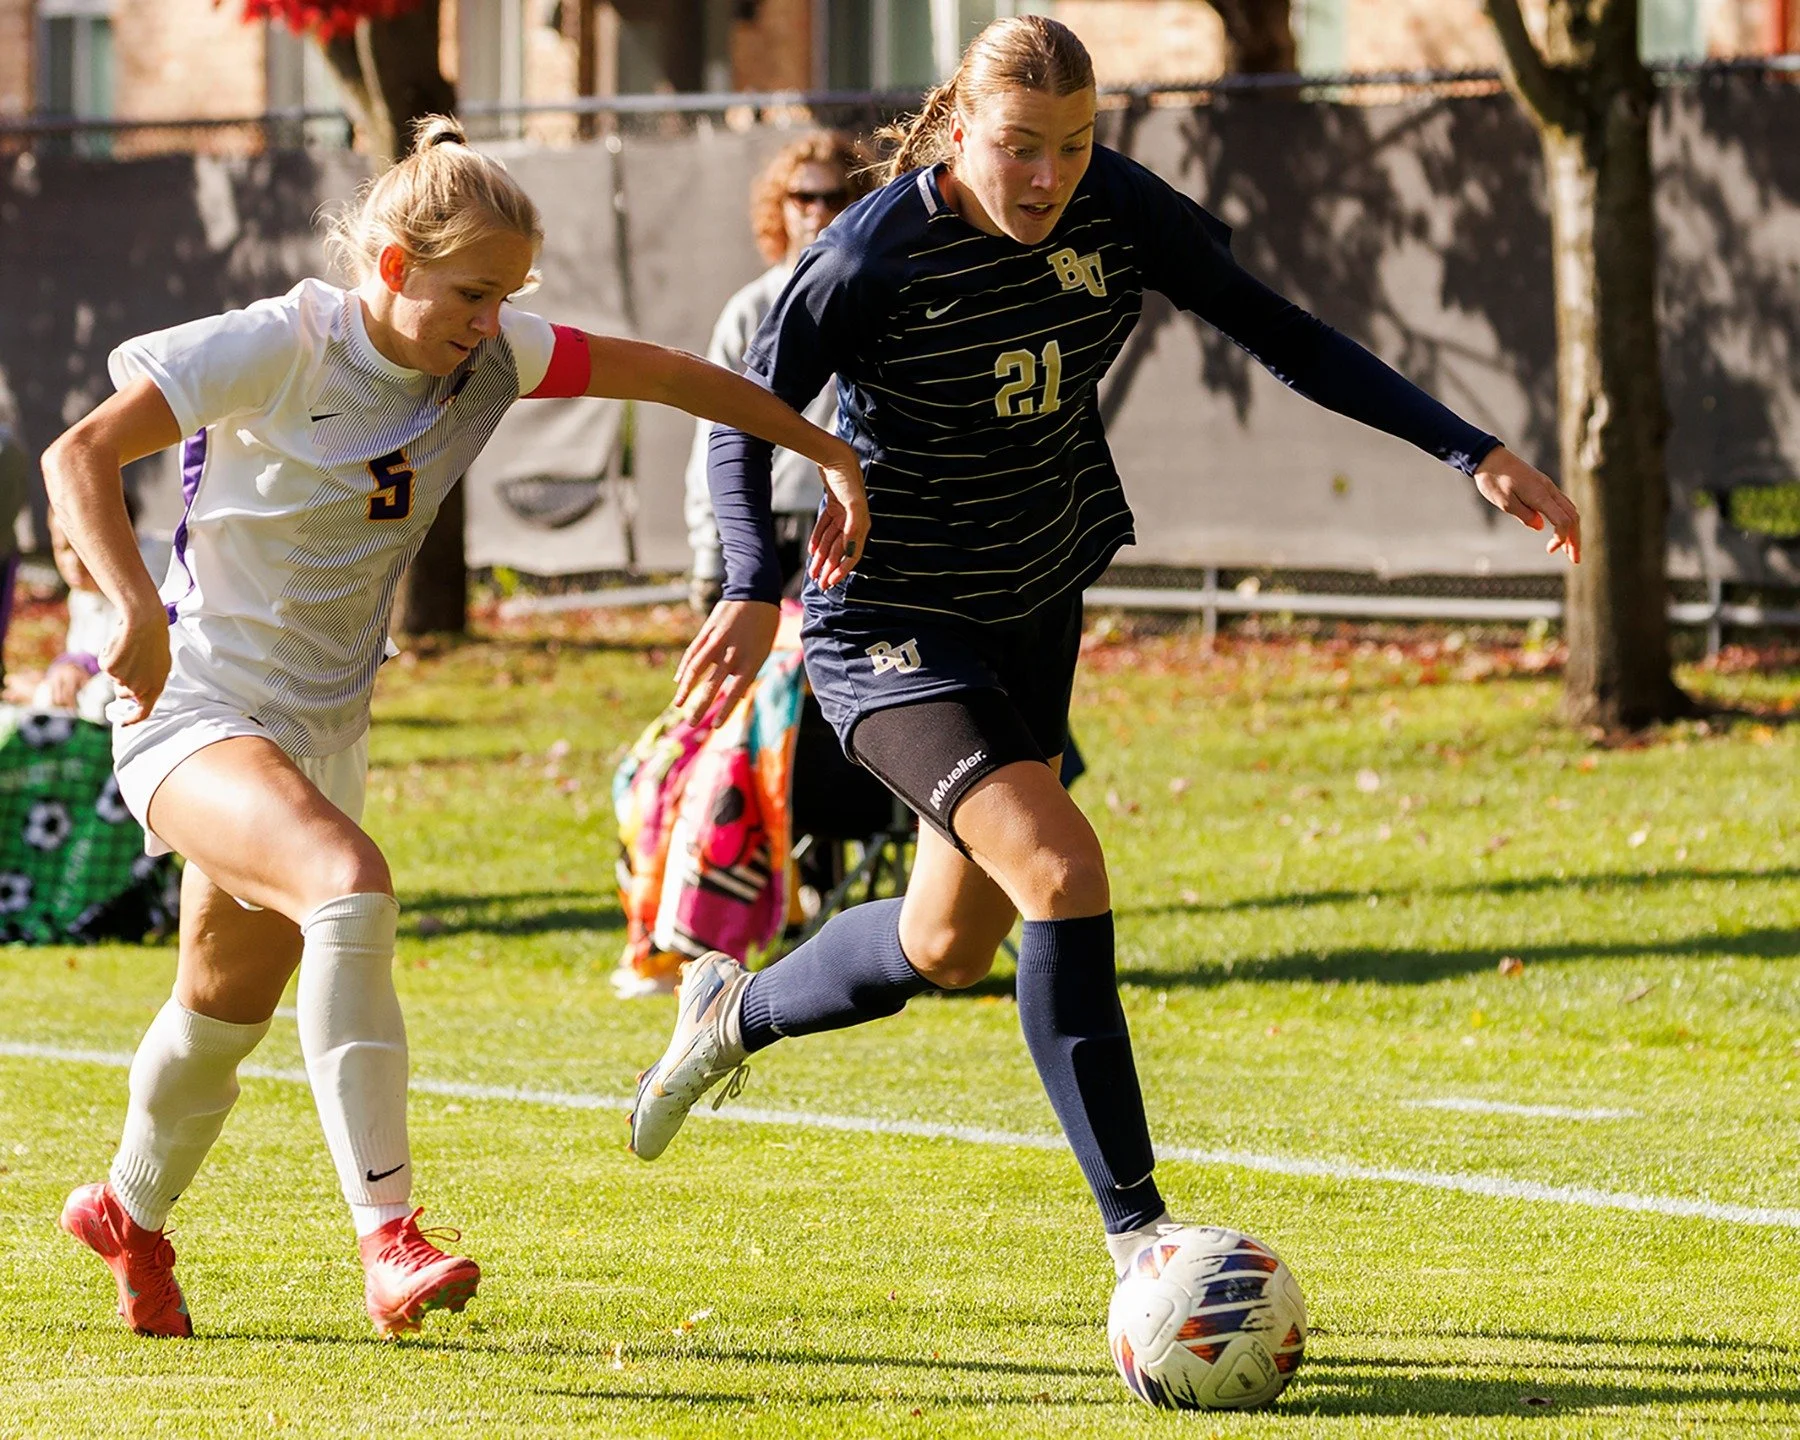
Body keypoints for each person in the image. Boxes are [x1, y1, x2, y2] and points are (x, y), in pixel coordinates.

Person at [628, 15, 1580, 1285]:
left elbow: (1281, 331)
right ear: (959, 129)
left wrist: (1473, 450)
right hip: (894, 627)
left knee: (943, 946)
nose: (1046, 178)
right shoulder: (869, 255)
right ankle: (1141, 1235)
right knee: (1064, 874)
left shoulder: (1118, 208)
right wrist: (750, 585)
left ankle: (730, 1010)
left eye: (1073, 148)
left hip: (1035, 600)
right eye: (1019, 147)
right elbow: (736, 415)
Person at [42, 115, 863, 1340]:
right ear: (389, 266)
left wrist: (828, 451)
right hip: (191, 708)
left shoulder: (488, 355)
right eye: (470, 294)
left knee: (220, 1010)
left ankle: (128, 1211)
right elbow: (79, 455)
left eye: (508, 297)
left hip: (317, 729)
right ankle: (389, 1237)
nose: (491, 323)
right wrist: (131, 611)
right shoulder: (283, 344)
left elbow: (679, 376)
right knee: (348, 885)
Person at [685, 130, 874, 610]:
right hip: (766, 517)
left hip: (852, 514)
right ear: (780, 206)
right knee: (768, 682)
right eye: (802, 196)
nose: (816, 211)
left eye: (833, 197)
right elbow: (714, 428)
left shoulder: (877, 301)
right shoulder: (750, 309)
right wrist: (711, 555)